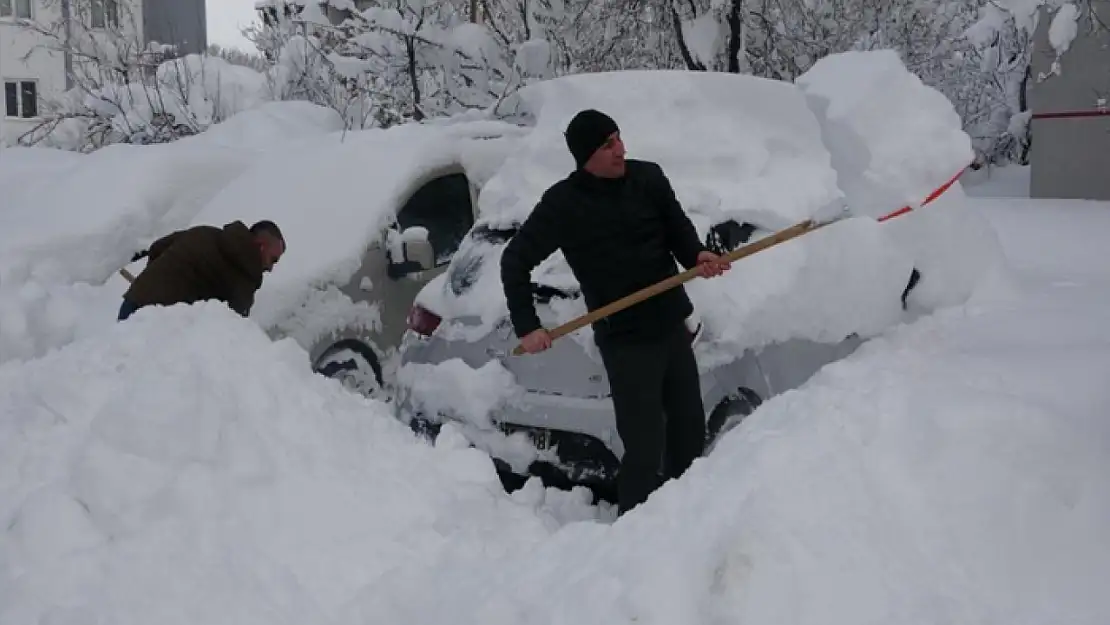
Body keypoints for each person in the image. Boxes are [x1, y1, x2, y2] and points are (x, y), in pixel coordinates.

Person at [499, 109, 730, 515]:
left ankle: (687, 522)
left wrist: (697, 254)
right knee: (644, 447)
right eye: (608, 144)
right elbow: (514, 261)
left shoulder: (649, 178)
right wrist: (528, 326)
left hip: (671, 326)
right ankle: (634, 535)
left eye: (619, 138)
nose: (621, 148)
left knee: (690, 433)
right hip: (624, 340)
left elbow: (677, 229)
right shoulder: (563, 204)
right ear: (586, 154)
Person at [119, 220, 285, 321]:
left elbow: (157, 247)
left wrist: (152, 284)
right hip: (158, 325)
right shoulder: (244, 274)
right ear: (261, 246)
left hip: (134, 302)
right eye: (273, 260)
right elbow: (233, 326)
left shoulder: (206, 232)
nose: (270, 268)